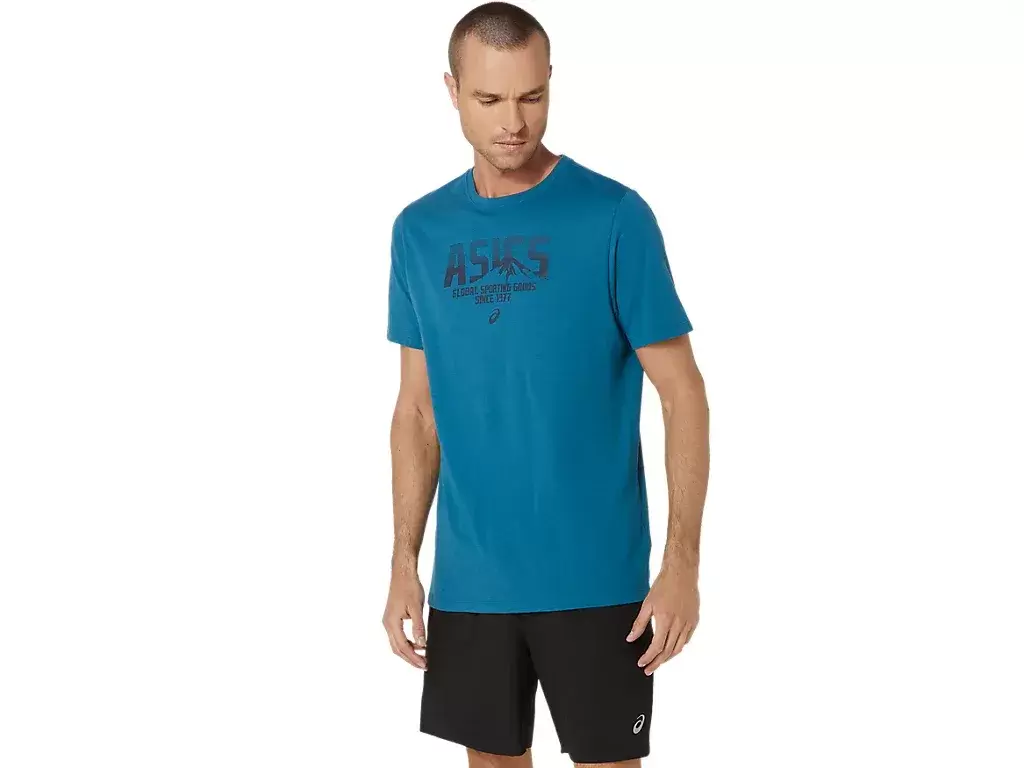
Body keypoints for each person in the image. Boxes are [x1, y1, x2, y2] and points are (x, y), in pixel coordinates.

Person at [382, 3, 710, 766]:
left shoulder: (614, 216)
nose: (514, 122)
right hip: (470, 583)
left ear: (552, 82)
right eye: (490, 98)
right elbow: (417, 411)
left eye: (532, 96)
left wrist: (682, 565)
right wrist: (403, 560)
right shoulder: (419, 232)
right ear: (451, 91)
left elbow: (683, 393)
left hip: (597, 578)